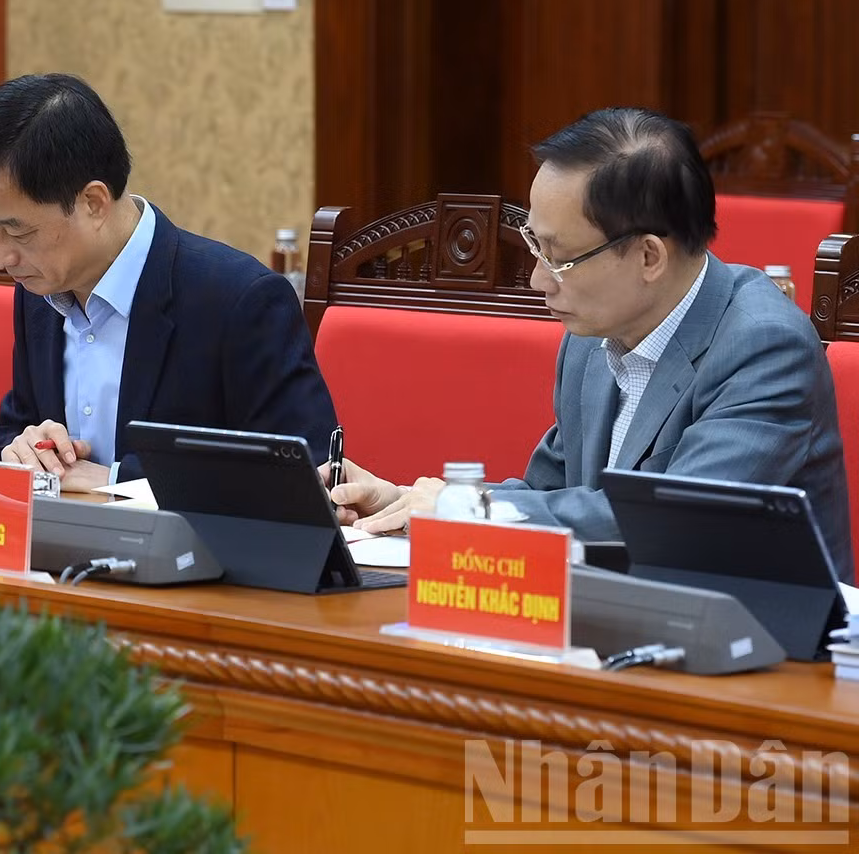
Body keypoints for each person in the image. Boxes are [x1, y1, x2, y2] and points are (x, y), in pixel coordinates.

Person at [328, 106, 854, 578]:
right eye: (535, 242)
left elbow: (679, 520)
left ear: (649, 256)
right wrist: (405, 508)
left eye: (558, 256)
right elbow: (550, 498)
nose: (538, 280)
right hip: (616, 626)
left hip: (767, 659)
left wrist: (468, 509)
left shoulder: (764, 346)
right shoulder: (592, 335)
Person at [0, 73, 337, 491]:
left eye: (19, 233)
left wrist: (115, 481)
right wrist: (21, 448)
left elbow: (312, 474)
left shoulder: (240, 300)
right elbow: (13, 428)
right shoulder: (39, 292)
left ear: (93, 202)